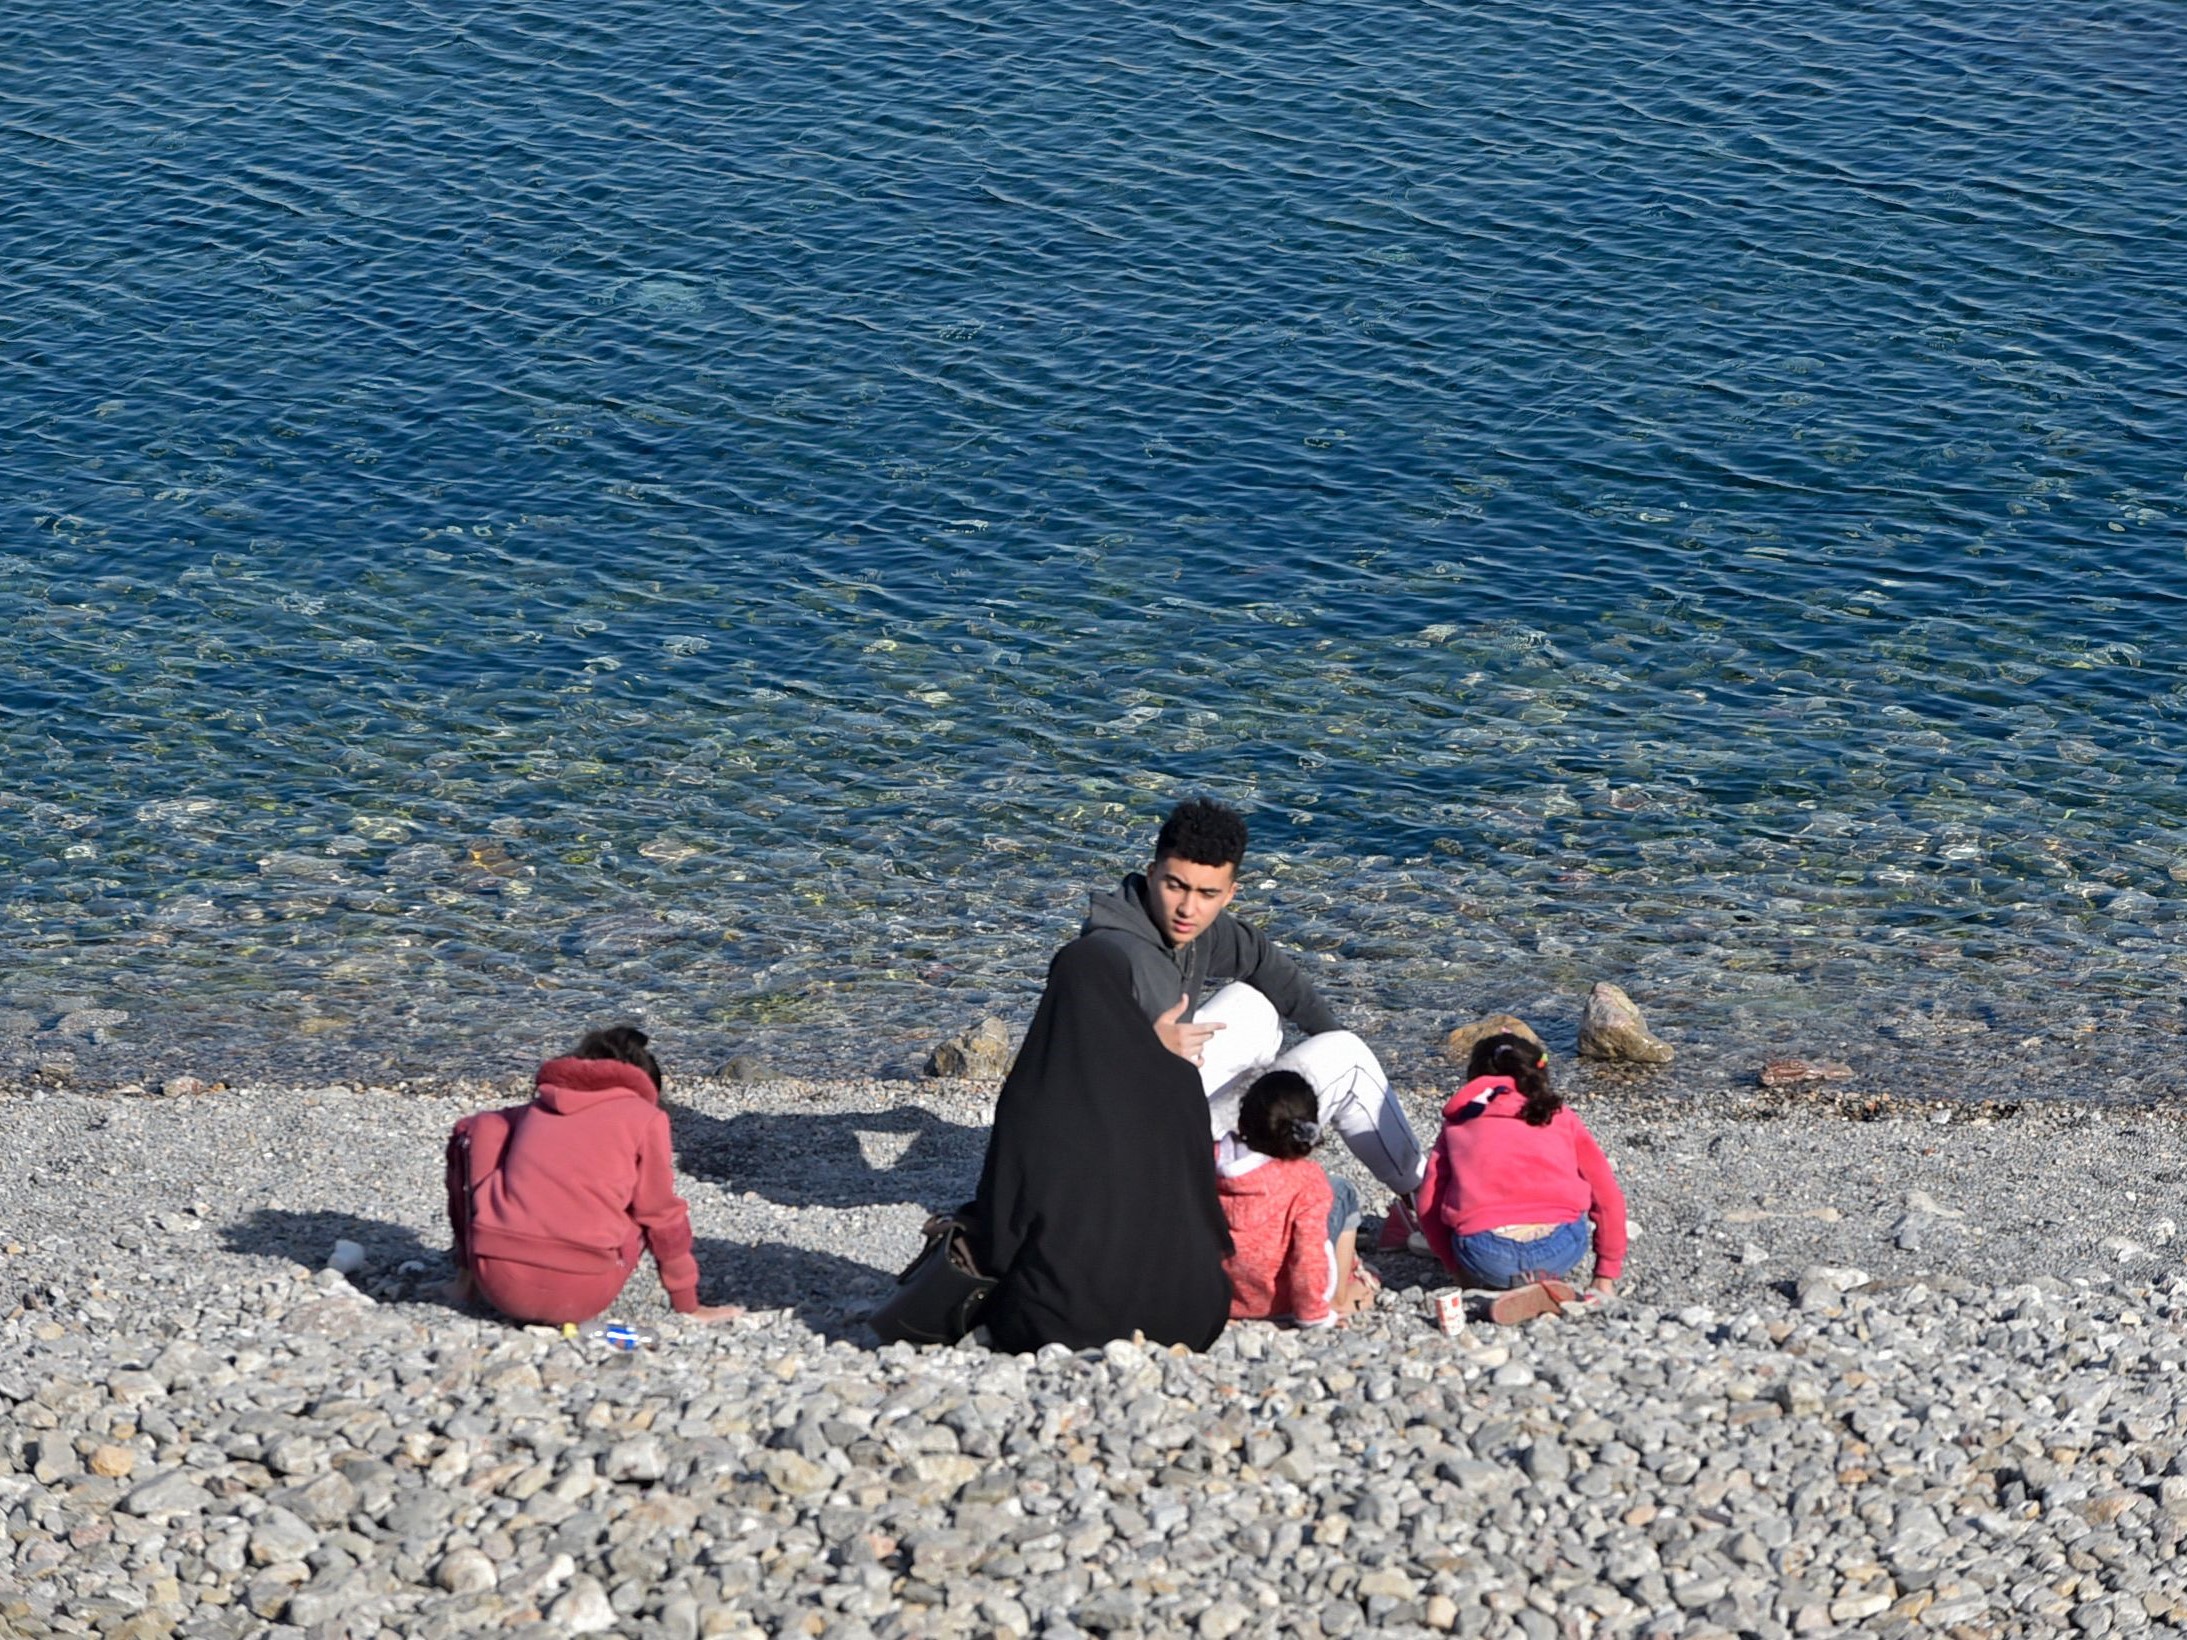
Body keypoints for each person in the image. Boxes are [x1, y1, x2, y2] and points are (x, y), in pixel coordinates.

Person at [1081, 796, 1428, 1252]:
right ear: (1151, 873)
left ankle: (1254, 1160)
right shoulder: (1117, 955)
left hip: (1160, 1114)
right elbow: (1084, 1072)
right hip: (1147, 1163)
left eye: (1207, 894)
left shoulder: (1183, 928)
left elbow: (1266, 963)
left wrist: (1324, 1034)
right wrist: (1148, 1049)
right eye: (1175, 886)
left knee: (1255, 1005)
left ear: (1229, 894)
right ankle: (1429, 1202)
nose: (1189, 908)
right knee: (1349, 1060)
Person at [968, 935, 1233, 1353]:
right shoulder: (1180, 1081)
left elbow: (1003, 1231)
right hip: (1193, 1313)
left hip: (1064, 1320)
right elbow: (1206, 1210)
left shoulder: (1035, 1094)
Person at [443, 1024, 742, 1327]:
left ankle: (466, 1283)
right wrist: (688, 1305)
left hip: (498, 1284)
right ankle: (685, 1309)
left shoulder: (536, 1109)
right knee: (641, 1202)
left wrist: (469, 1264)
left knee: (492, 1153)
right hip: (582, 1294)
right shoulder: (647, 1118)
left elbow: (468, 1131)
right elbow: (662, 1216)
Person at [1415, 1033, 1627, 1324]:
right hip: (1560, 1246)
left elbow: (1428, 1201)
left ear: (1475, 1076)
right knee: (1572, 1205)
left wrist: (1457, 1270)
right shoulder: (1559, 1116)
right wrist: (1605, 1274)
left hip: (1486, 1253)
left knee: (1458, 1206)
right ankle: (1538, 1282)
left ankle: (1499, 1287)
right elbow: (1606, 1195)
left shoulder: (1459, 1121)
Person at [1216, 1070, 1380, 1329]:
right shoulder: (1305, 1180)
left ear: (1243, 1118)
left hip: (1225, 1299)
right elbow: (1308, 1254)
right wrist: (1313, 1315)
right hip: (1280, 1303)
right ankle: (1339, 1296)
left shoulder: (1211, 1161)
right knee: (1342, 1190)